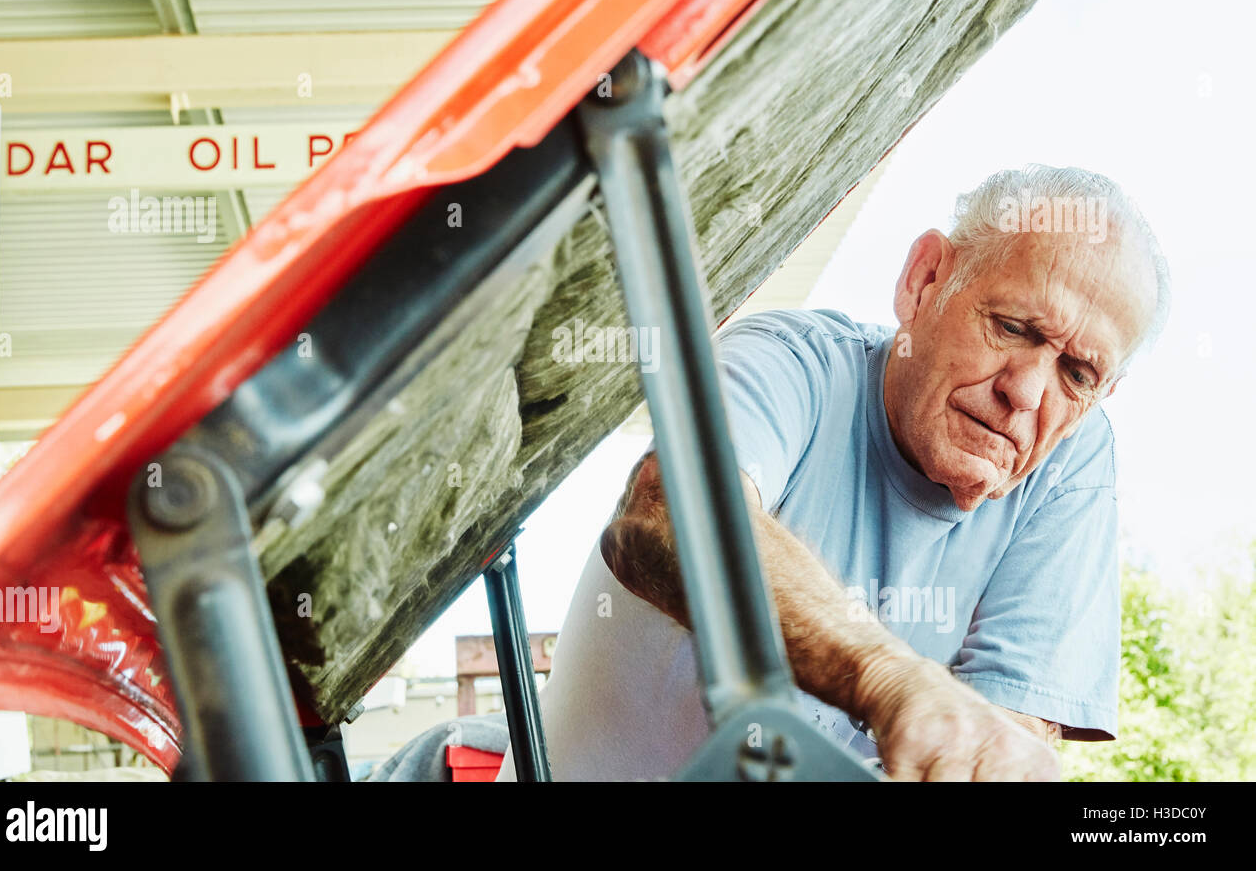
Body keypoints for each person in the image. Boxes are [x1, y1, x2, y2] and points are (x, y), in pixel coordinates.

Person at [497, 164, 1169, 781]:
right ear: (925, 279)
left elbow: (1003, 744)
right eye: (1015, 328)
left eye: (1077, 374)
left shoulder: (1068, 468)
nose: (1026, 392)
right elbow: (668, 514)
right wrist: (886, 678)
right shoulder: (786, 361)